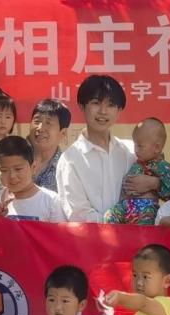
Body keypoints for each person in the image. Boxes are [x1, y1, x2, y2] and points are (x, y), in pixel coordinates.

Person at [56, 75, 159, 222]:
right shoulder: (70, 160)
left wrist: (155, 183)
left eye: (110, 105)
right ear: (82, 106)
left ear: (119, 111)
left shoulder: (132, 151)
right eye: (96, 103)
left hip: (138, 234)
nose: (103, 111)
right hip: (94, 236)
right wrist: (119, 225)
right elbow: (78, 214)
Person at [105, 118, 170, 224]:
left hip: (147, 208)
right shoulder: (137, 161)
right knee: (109, 216)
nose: (136, 149)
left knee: (144, 228)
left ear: (157, 147)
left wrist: (156, 184)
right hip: (125, 205)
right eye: (135, 144)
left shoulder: (163, 167)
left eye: (140, 146)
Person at [0, 136, 65, 222]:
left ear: (33, 167)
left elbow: (58, 230)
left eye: (18, 169)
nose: (12, 176)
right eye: (4, 170)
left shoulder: (51, 201)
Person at [29, 99, 70, 192]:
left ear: (63, 133)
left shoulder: (67, 168)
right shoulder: (14, 157)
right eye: (36, 121)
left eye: (48, 123)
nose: (40, 128)